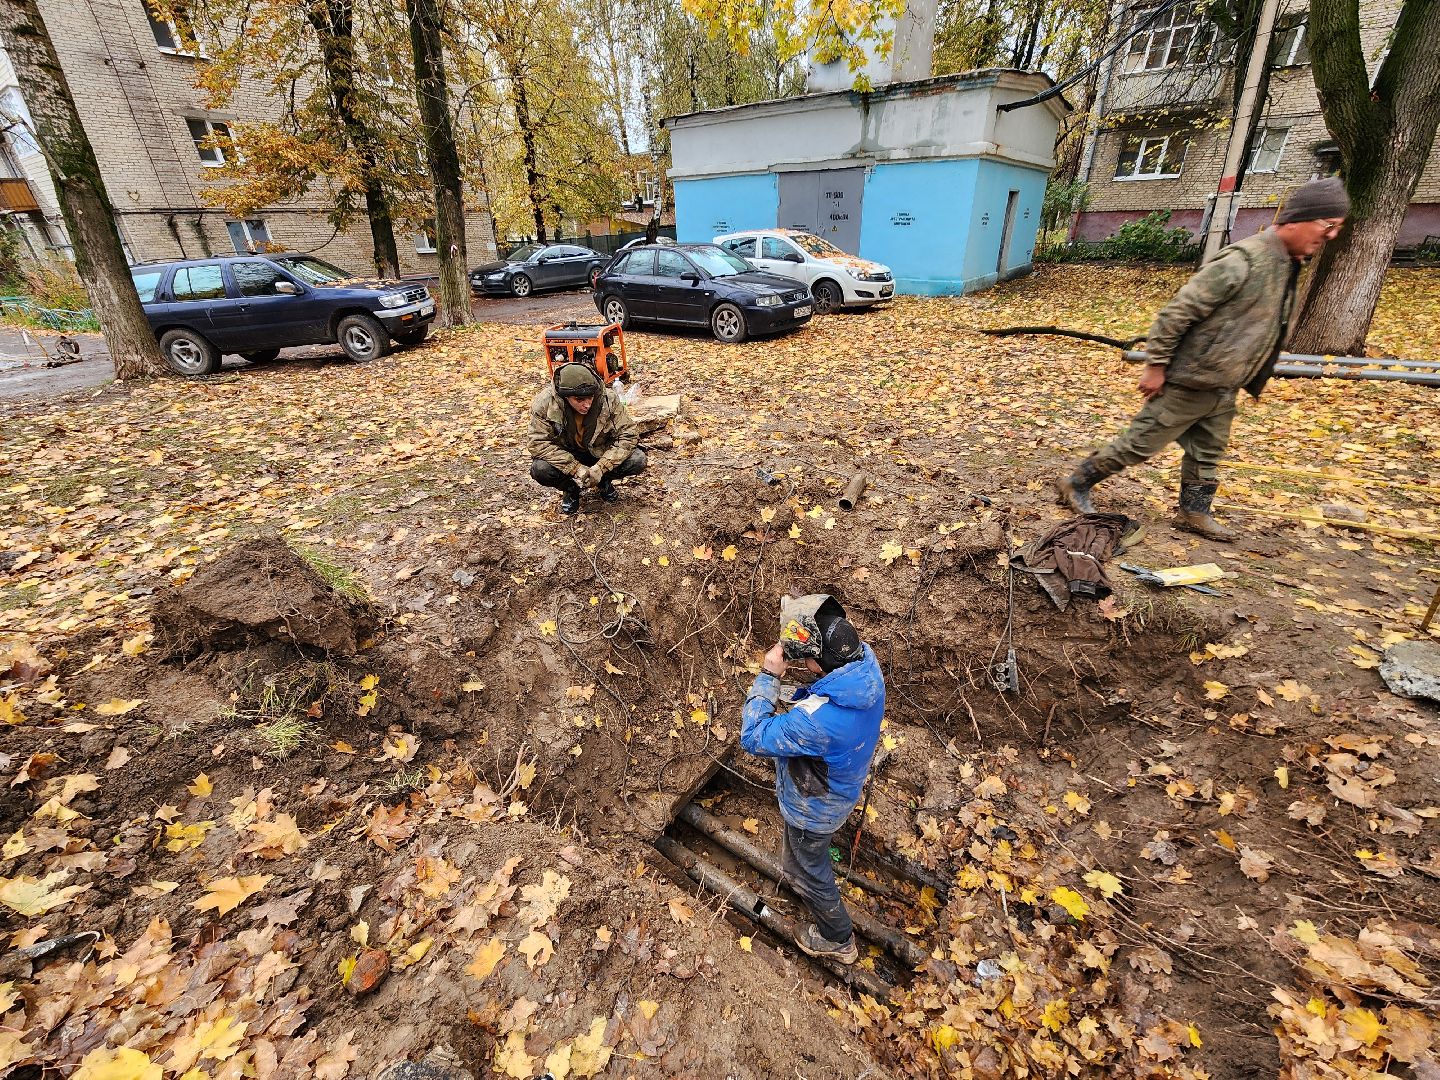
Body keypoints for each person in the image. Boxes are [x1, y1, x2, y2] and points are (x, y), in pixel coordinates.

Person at [1057, 176, 1351, 541]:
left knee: (1208, 452)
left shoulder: (1284, 262)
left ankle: (1193, 512)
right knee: (1139, 444)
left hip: (1223, 384)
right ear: (1296, 219)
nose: (1331, 236)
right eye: (1328, 225)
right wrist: (1156, 366)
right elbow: (1177, 314)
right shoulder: (1245, 259)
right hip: (1191, 381)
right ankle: (1076, 482)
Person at [740, 594, 885, 964]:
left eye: (807, 658)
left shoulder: (815, 722)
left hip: (814, 809)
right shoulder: (865, 665)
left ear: (819, 662)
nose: (803, 662)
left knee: (805, 870)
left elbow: (754, 737)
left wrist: (769, 675)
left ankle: (838, 939)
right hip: (843, 783)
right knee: (806, 859)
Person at [527, 362, 646, 515]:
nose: (587, 404)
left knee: (637, 460)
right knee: (540, 469)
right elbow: (538, 442)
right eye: (579, 400)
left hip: (600, 451)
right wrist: (575, 468)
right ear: (565, 396)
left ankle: (603, 481)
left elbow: (628, 434)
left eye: (590, 398)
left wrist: (601, 467)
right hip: (567, 454)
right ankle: (570, 489)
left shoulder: (608, 399)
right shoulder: (545, 403)